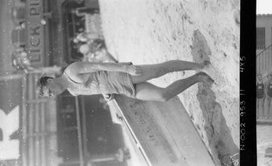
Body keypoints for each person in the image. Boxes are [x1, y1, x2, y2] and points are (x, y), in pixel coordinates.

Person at [38, 59, 213, 101]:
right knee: (163, 96)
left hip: (120, 75)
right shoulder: (74, 91)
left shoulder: (72, 71)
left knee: (160, 70)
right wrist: (107, 94)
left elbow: (99, 65)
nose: (52, 94)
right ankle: (198, 78)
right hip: (120, 89)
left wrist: (125, 67)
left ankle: (198, 66)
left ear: (49, 81)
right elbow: (96, 86)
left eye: (49, 91)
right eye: (49, 96)